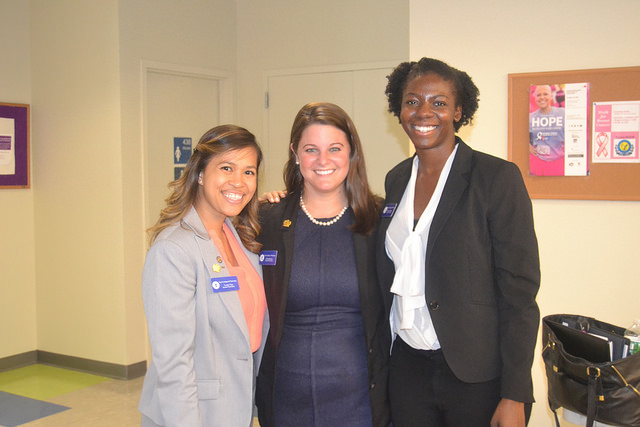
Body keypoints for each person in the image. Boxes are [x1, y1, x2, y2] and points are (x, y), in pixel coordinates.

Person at [377, 58, 540, 426]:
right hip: (407, 368)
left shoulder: (495, 178)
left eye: (439, 103)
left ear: (458, 110)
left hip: (475, 375)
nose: (423, 112)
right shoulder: (396, 180)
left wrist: (515, 393)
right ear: (398, 108)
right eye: (412, 101)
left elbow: (520, 293)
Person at [255, 102, 390, 427]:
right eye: (311, 149)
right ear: (295, 153)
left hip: (361, 398)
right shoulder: (267, 220)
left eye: (335, 148)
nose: (323, 160)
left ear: (351, 151)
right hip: (287, 396)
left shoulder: (379, 220)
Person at [138, 125, 268, 427]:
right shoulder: (174, 249)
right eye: (226, 168)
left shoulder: (240, 238)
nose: (239, 182)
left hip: (235, 407)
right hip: (191, 413)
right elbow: (173, 364)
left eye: (249, 172)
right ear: (200, 173)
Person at [529, 84, 565, 176]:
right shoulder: (531, 117)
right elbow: (522, 137)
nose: (542, 97)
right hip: (539, 165)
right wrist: (529, 147)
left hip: (560, 163)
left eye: (545, 94)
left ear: (551, 95)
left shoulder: (563, 113)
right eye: (539, 95)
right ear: (535, 98)